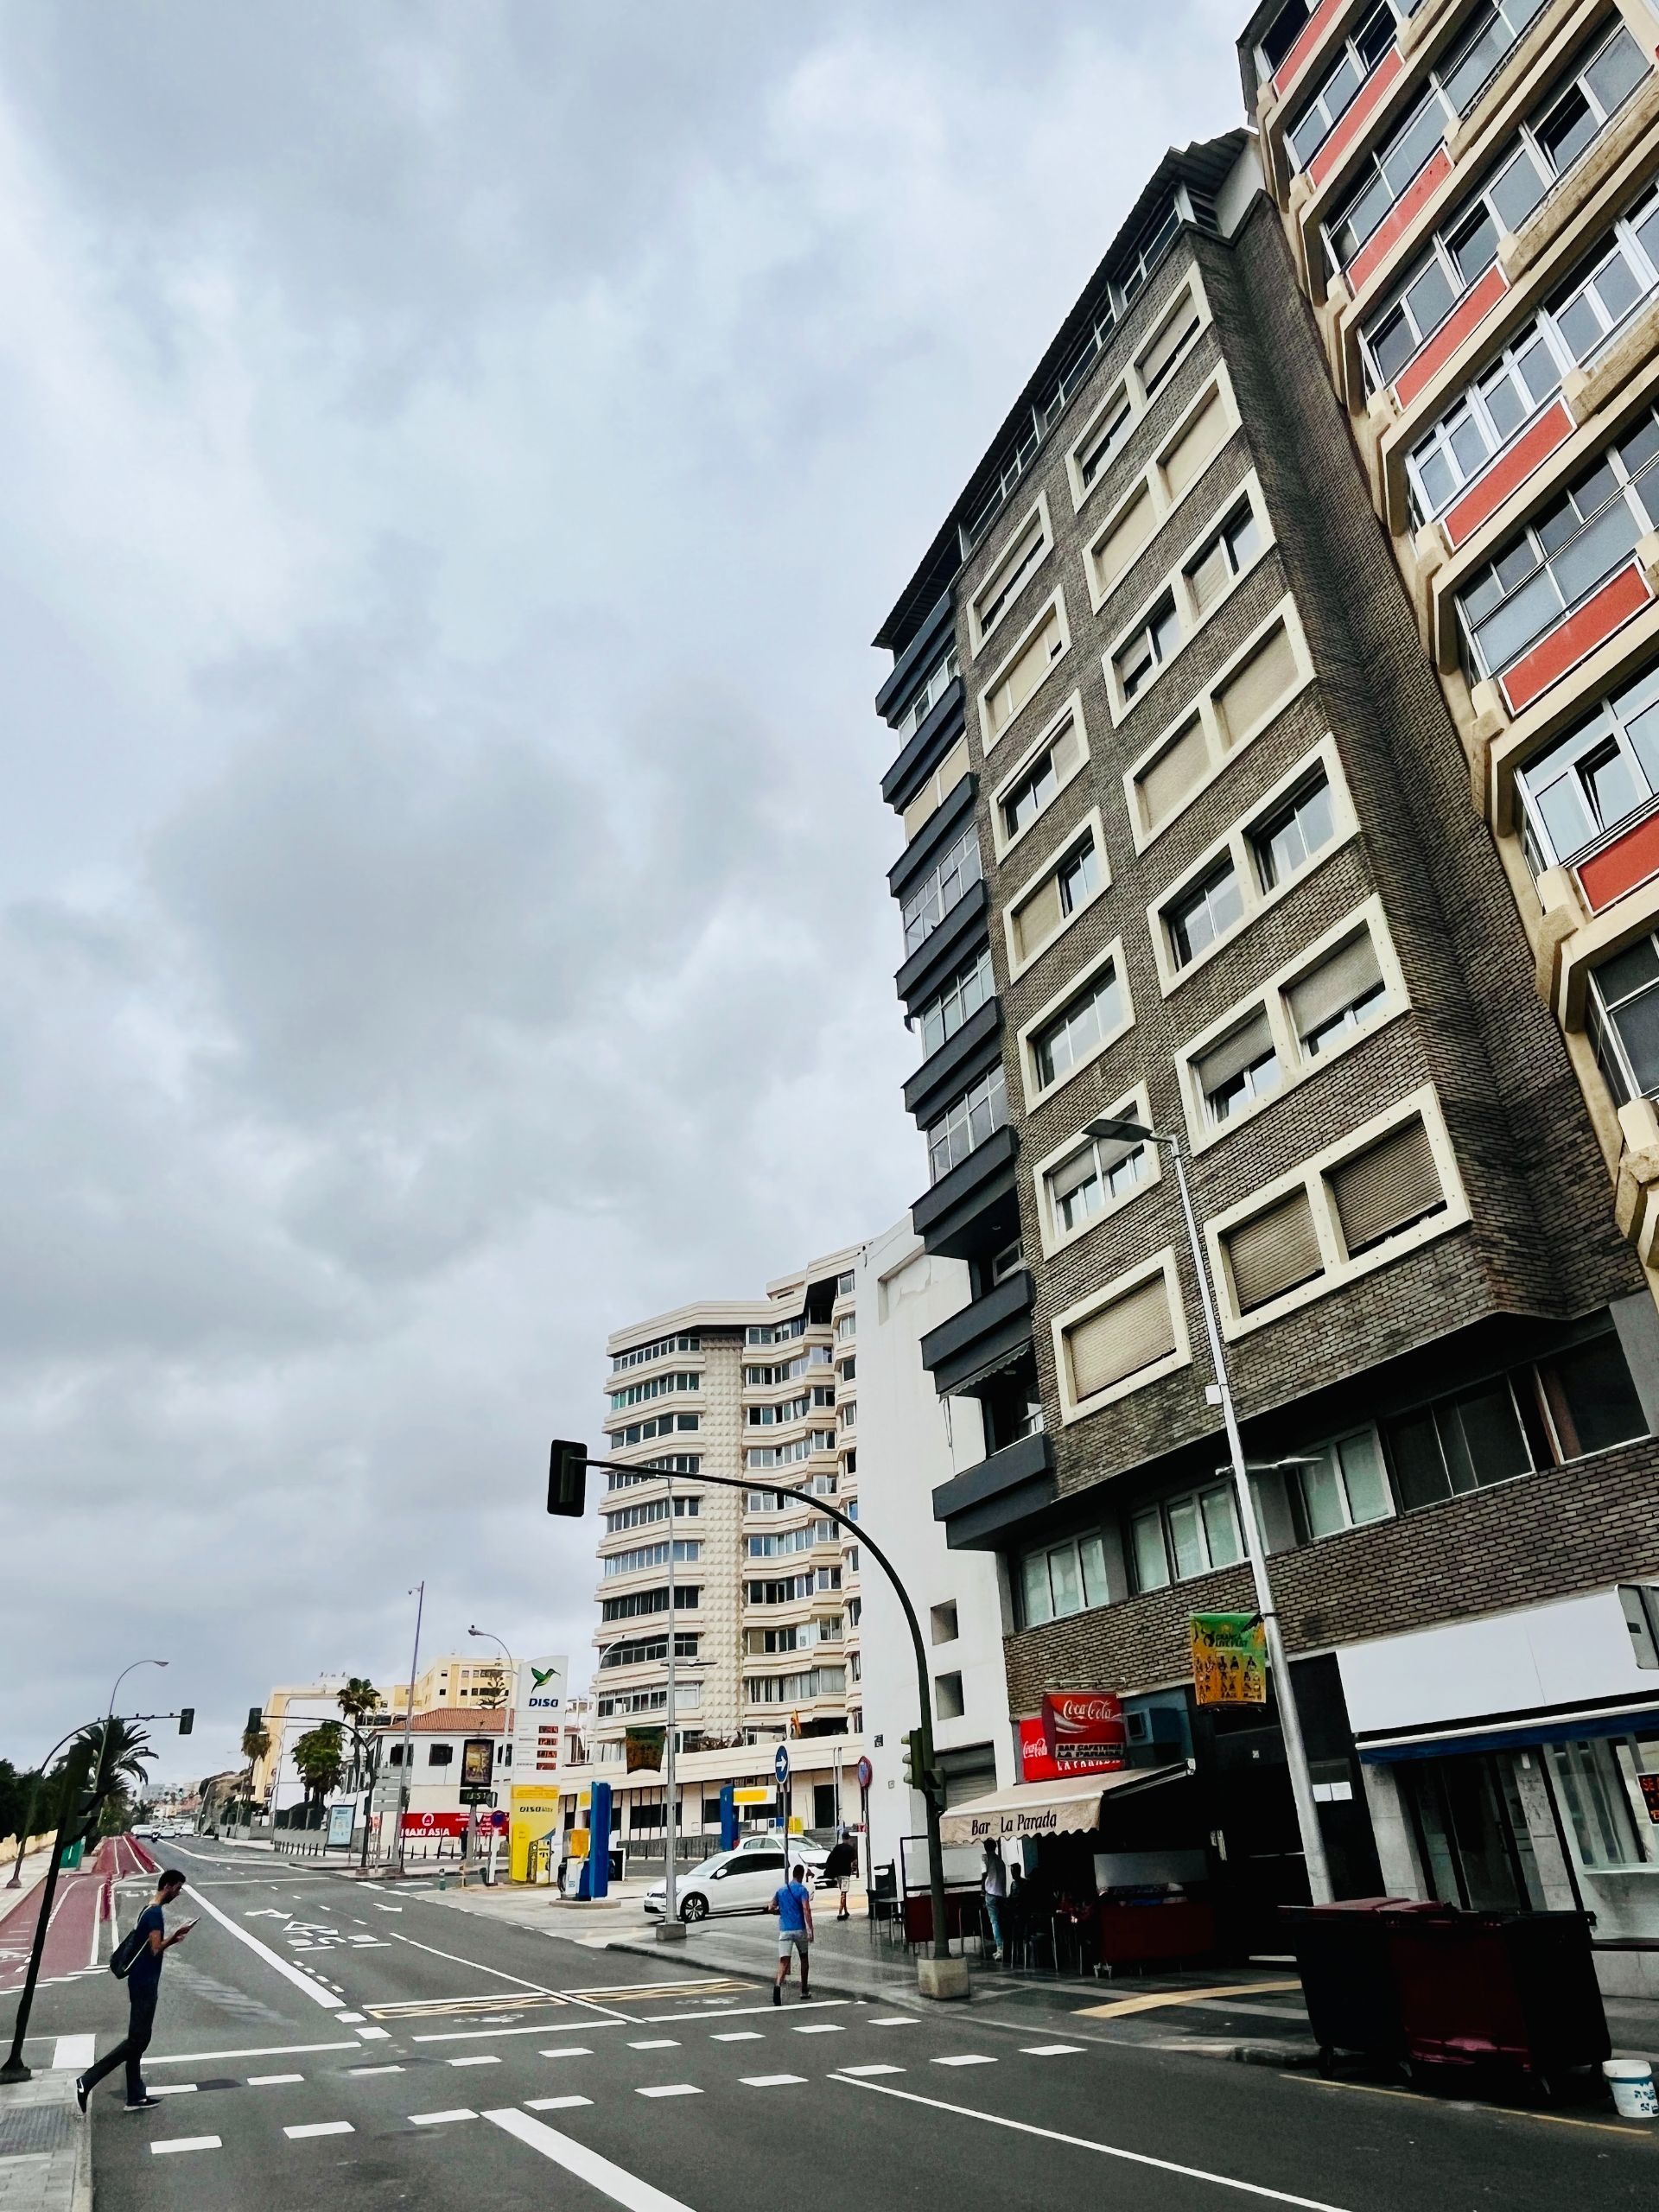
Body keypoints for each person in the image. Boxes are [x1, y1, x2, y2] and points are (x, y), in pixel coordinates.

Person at [77, 1869, 196, 2113]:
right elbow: (154, 1949)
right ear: (169, 1886)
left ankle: (135, 2096)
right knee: (138, 2040)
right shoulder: (154, 1915)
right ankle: (87, 2080)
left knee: (137, 2039)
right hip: (145, 1983)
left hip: (140, 1981)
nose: (179, 1893)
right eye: (178, 1888)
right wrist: (174, 1937)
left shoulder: (148, 1908)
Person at [769, 1859, 815, 2003]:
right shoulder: (802, 1890)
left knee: (783, 1961)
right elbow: (806, 1910)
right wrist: (810, 1929)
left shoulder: (781, 1890)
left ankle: (777, 1985)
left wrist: (779, 1911)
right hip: (799, 1929)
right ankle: (804, 1990)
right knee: (804, 1958)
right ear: (801, 1876)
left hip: (785, 1930)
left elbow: (771, 1906)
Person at [981, 1840, 1007, 1964]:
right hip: (1001, 1894)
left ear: (985, 1848)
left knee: (995, 1922)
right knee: (1002, 1921)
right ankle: (1004, 1947)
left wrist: (982, 1889)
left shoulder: (985, 1858)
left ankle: (1000, 1949)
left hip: (990, 1893)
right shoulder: (1000, 1861)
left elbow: (984, 1874)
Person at [822, 1831, 857, 1921]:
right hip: (846, 1874)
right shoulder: (851, 1849)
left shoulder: (837, 1848)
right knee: (843, 1893)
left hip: (838, 1874)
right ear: (848, 1838)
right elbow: (854, 1862)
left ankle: (845, 1910)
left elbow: (829, 1859)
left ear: (842, 1838)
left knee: (843, 1891)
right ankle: (840, 1912)